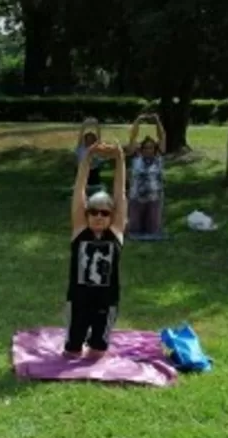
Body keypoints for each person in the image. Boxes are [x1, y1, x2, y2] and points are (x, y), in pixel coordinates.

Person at [66, 141, 127, 358]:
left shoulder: (116, 232)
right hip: (79, 298)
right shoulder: (80, 230)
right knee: (72, 353)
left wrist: (119, 158)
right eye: (94, 212)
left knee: (96, 355)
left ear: (111, 216)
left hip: (106, 300)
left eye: (104, 213)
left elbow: (120, 194)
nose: (99, 217)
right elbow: (79, 190)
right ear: (87, 214)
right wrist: (88, 158)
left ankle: (97, 344)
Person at [125, 113, 167, 235]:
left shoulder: (158, 157)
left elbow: (162, 136)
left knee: (153, 231)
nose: (149, 150)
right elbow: (132, 137)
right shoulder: (136, 157)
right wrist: (137, 121)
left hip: (154, 198)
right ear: (141, 149)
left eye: (151, 148)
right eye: (146, 148)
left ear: (155, 149)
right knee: (134, 230)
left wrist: (157, 121)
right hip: (136, 198)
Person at [75, 117, 106, 196]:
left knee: (95, 191)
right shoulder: (81, 148)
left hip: (93, 172)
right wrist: (84, 124)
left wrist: (96, 125)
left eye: (91, 139)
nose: (89, 141)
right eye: (87, 139)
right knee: (82, 191)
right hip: (82, 171)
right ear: (85, 140)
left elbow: (99, 138)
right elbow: (80, 135)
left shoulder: (96, 148)